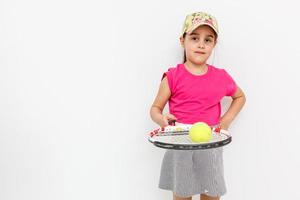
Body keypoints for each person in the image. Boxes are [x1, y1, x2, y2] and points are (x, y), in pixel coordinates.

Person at [149, 11, 246, 200]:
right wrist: (162, 119)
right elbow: (155, 109)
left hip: (210, 144)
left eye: (208, 40)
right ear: (182, 40)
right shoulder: (173, 76)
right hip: (180, 145)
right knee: (182, 195)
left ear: (214, 45)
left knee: (211, 194)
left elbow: (240, 96)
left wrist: (226, 120)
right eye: (194, 38)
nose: (201, 44)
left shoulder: (221, 76)